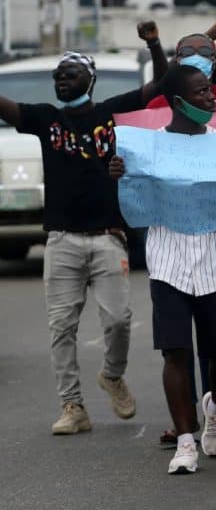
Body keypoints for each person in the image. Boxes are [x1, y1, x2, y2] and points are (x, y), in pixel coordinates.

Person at [109, 64, 216, 474]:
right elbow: (132, 195)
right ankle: (185, 441)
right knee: (176, 350)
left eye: (209, 92)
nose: (210, 100)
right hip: (167, 257)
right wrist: (119, 173)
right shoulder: (147, 147)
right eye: (201, 93)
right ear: (177, 102)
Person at [0, 24, 163, 435]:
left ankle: (112, 374)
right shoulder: (45, 120)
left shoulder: (111, 112)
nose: (61, 77)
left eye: (70, 71)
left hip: (108, 236)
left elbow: (162, 84)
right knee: (61, 326)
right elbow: (6, 108)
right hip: (61, 239)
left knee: (119, 319)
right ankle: (72, 406)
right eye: (58, 73)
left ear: (90, 79)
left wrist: (154, 44)